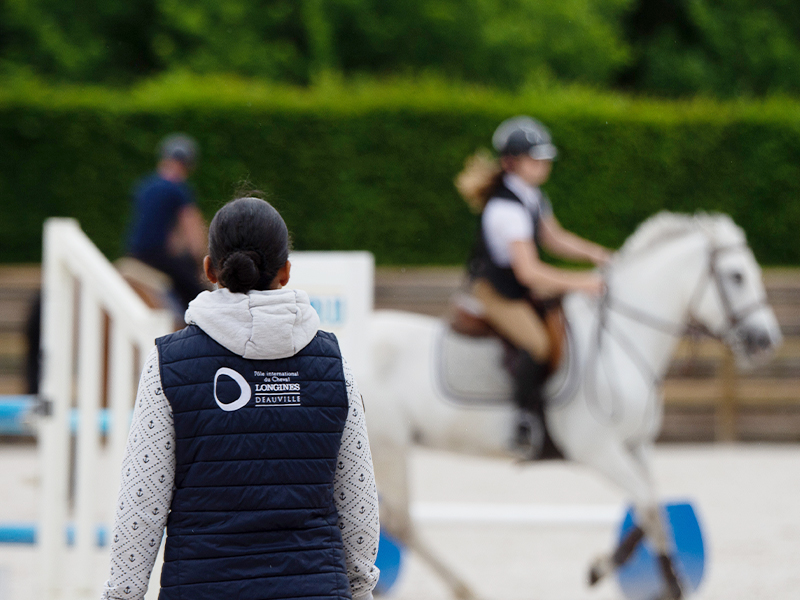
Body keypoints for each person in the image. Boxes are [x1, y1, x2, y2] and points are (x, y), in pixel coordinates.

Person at [102, 196, 380, 600]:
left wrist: (122, 595)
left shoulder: (169, 361)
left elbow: (142, 502)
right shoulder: (332, 360)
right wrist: (359, 589)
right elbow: (358, 501)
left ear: (210, 269)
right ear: (285, 272)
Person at [455, 115, 611, 458]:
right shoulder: (504, 209)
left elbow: (553, 238)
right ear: (512, 162)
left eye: (544, 158)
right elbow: (529, 273)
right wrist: (584, 283)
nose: (543, 165)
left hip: (516, 286)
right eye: (534, 158)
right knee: (538, 343)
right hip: (496, 292)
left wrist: (601, 255)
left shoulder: (532, 196)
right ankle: (525, 422)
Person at [126, 133, 208, 311]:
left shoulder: (145, 185)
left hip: (135, 253)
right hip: (158, 256)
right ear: (188, 165)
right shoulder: (179, 190)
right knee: (196, 292)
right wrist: (200, 259)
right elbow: (192, 230)